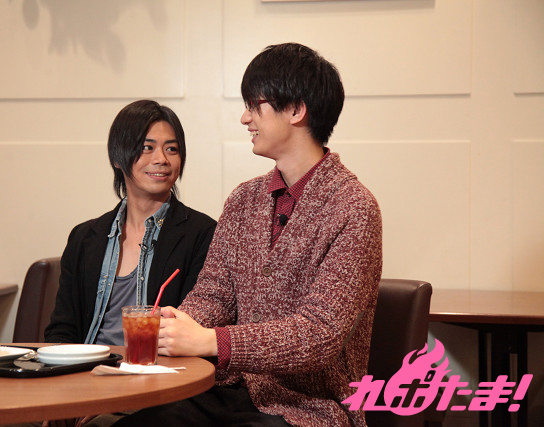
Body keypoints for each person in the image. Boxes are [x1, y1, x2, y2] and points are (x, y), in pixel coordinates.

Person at [115, 43, 383, 426]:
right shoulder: (243, 199)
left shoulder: (353, 207)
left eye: (254, 106)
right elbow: (214, 294)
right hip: (227, 392)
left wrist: (212, 341)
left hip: (309, 409)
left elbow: (320, 335)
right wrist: (180, 323)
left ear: (296, 110)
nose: (245, 118)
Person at [45, 100, 217, 346]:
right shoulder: (84, 237)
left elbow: (195, 326)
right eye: (147, 147)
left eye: (172, 149)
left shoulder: (203, 234)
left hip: (158, 364)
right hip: (88, 365)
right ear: (117, 157)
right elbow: (62, 330)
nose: (161, 159)